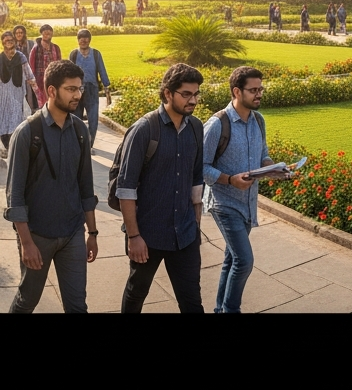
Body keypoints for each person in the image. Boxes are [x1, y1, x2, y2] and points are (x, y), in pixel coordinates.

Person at [5, 60, 99, 313]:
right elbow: (14, 196)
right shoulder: (27, 133)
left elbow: (86, 187)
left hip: (72, 234)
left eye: (79, 89)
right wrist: (27, 243)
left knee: (77, 305)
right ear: (51, 91)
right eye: (71, 89)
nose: (78, 95)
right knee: (28, 300)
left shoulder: (80, 130)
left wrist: (92, 233)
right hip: (37, 235)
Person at [116, 63, 207, 313]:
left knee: (192, 301)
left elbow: (196, 179)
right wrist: (134, 237)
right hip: (148, 234)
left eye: (196, 94)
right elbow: (125, 187)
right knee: (137, 293)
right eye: (186, 94)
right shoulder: (145, 129)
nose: (193, 100)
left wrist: (196, 226)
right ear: (168, 93)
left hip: (185, 234)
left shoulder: (196, 127)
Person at [202, 66, 289, 313]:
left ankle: (221, 309)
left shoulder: (258, 120)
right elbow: (200, 167)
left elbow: (263, 156)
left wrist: (276, 169)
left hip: (248, 204)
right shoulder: (218, 124)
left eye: (260, 89)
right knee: (244, 261)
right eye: (253, 90)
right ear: (236, 92)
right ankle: (231, 309)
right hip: (224, 203)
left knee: (232, 259)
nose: (259, 94)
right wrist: (230, 180)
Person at [68, 30, 111, 129]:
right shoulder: (73, 54)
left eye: (86, 37)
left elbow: (102, 70)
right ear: (78, 40)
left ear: (90, 40)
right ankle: (78, 142)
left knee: (93, 119)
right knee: (75, 118)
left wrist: (107, 88)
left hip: (92, 89)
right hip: (76, 90)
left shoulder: (96, 54)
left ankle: (90, 142)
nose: (83, 40)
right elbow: (68, 73)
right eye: (80, 38)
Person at [1, 31, 40, 139]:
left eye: (10, 40)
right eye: (6, 40)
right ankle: (5, 145)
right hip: (3, 96)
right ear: (3, 43)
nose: (8, 42)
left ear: (14, 41)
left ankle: (15, 143)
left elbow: (29, 75)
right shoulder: (0, 58)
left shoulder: (20, 56)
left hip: (17, 93)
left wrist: (37, 93)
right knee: (3, 118)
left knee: (17, 118)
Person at [28, 25, 61, 108]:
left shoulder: (56, 48)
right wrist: (33, 80)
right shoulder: (36, 49)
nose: (47, 36)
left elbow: (60, 64)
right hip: (39, 81)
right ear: (42, 34)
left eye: (49, 34)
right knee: (42, 104)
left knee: (54, 101)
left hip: (53, 79)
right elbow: (31, 65)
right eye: (45, 34)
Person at [14, 25, 37, 112]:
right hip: (18, 75)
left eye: (21, 33)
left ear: (24, 34)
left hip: (30, 73)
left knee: (32, 95)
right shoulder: (13, 46)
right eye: (17, 33)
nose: (19, 35)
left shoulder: (30, 44)